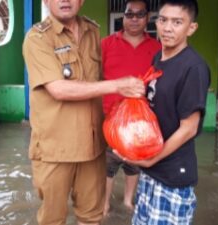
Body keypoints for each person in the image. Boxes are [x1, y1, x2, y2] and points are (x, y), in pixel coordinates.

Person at [22, 0, 146, 224]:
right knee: (53, 219)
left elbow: (99, 78)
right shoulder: (37, 38)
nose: (64, 0)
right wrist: (117, 85)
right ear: (46, 1)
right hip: (55, 150)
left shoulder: (92, 31)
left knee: (91, 217)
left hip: (92, 148)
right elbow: (58, 89)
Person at [116, 0, 210, 224]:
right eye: (163, 20)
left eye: (177, 22)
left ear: (191, 28)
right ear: (156, 22)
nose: (168, 28)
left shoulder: (193, 68)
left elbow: (189, 128)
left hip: (172, 176)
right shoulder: (158, 58)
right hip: (150, 171)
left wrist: (151, 160)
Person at [101, 0, 161, 216]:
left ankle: (128, 201)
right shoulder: (106, 44)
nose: (134, 19)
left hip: (142, 121)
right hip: (110, 118)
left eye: (139, 14)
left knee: (134, 164)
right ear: (123, 17)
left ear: (147, 18)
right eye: (130, 14)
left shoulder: (157, 48)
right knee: (107, 166)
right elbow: (96, 78)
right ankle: (105, 204)